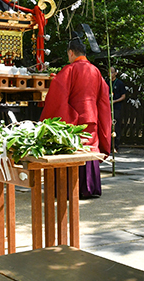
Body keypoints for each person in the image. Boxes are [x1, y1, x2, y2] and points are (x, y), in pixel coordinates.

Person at [40, 37, 111, 198]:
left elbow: (57, 96)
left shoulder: (69, 70)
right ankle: (90, 188)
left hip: (73, 119)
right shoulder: (96, 71)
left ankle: (68, 188)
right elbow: (103, 100)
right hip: (92, 117)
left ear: (71, 53)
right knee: (89, 149)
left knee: (71, 149)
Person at [109, 66, 127, 151]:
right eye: (109, 72)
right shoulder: (107, 83)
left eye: (112, 72)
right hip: (108, 107)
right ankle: (108, 145)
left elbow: (123, 96)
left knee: (116, 126)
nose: (110, 74)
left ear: (116, 73)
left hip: (116, 107)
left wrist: (115, 101)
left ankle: (115, 145)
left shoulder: (119, 83)